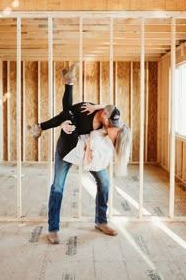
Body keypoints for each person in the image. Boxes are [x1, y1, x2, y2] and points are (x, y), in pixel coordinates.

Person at [29, 64, 122, 244]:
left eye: (112, 124)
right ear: (103, 115)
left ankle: (101, 221)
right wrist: (63, 126)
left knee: (104, 181)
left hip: (87, 150)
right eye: (109, 122)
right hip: (67, 149)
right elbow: (65, 112)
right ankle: (53, 229)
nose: (110, 126)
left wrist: (100, 106)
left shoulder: (108, 118)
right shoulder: (83, 111)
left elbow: (113, 108)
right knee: (57, 186)